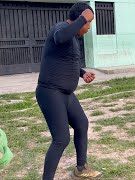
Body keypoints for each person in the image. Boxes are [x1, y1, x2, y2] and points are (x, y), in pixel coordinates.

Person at [35, 2, 102, 180]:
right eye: (89, 23)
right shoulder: (62, 27)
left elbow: (66, 60)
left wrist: (82, 73)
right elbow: (60, 37)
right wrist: (82, 19)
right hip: (50, 92)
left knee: (82, 123)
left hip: (65, 94)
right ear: (81, 18)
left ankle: (81, 168)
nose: (88, 27)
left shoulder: (73, 38)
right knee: (61, 139)